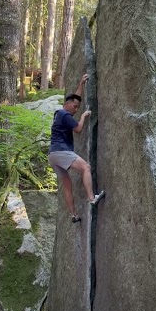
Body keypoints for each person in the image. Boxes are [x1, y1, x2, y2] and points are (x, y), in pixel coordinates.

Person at [50, 73, 104, 222]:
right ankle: (92, 198)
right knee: (85, 167)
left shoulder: (60, 113)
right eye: (75, 107)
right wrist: (83, 116)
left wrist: (81, 84)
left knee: (67, 186)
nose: (76, 109)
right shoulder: (65, 115)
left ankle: (74, 215)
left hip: (53, 156)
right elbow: (79, 129)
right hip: (61, 151)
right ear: (66, 104)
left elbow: (75, 99)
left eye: (78, 108)